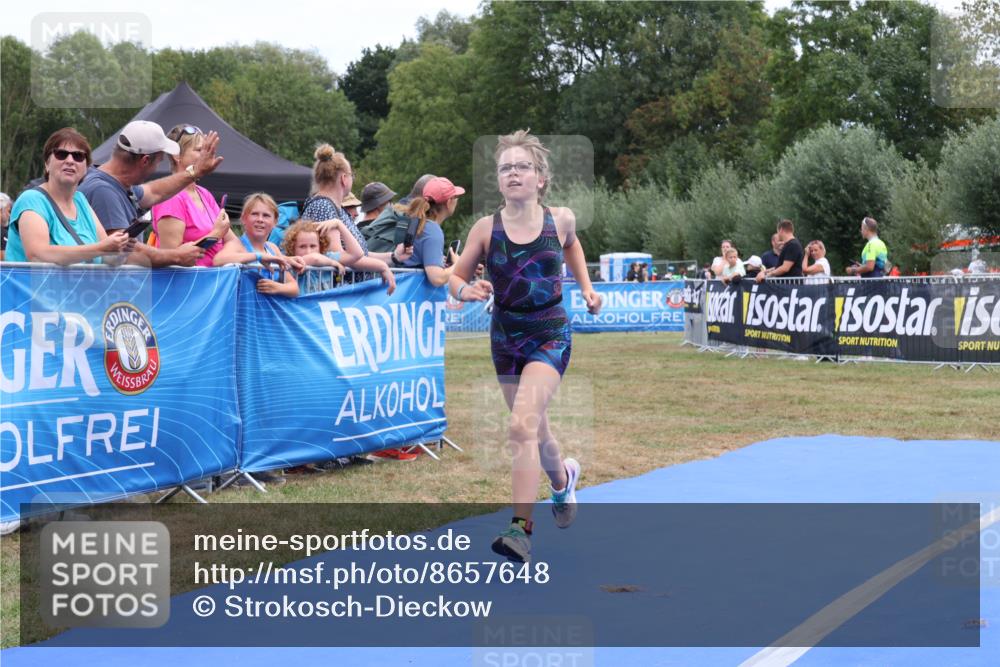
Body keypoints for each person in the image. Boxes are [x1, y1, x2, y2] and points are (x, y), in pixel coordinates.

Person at [448, 130, 602, 563]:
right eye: (505, 168)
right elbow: (454, 278)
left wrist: (587, 289)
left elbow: (572, 247)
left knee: (520, 426)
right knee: (536, 428)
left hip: (550, 333)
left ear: (540, 177)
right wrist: (466, 292)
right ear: (498, 181)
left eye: (522, 166)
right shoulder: (485, 229)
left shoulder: (561, 219)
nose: (513, 173)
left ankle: (520, 528)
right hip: (505, 339)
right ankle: (563, 480)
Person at [78, 120, 222, 267]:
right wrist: (176, 256)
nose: (156, 168)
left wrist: (195, 172)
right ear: (145, 160)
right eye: (158, 162)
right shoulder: (103, 191)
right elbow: (125, 251)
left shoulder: (118, 184)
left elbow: (155, 192)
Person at [4, 128, 135, 265]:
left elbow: (106, 257)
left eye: (78, 156)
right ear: (47, 164)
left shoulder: (81, 201)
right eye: (61, 154)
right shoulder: (31, 200)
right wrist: (101, 248)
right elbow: (38, 255)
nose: (70, 160)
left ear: (86, 168)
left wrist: (120, 251)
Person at [300, 144, 406, 285]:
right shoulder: (324, 207)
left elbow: (362, 254)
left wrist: (394, 256)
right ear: (344, 178)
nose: (352, 179)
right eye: (351, 175)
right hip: (339, 294)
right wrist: (381, 266)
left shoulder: (333, 208)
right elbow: (342, 257)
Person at [151, 125, 234, 266]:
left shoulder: (204, 194)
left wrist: (221, 259)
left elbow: (233, 241)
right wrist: (216, 235)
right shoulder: (171, 197)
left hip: (212, 284)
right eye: (199, 150)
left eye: (207, 149)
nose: (206, 154)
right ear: (177, 156)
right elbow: (171, 258)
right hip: (185, 285)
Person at [214, 193, 301, 298]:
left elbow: (294, 288)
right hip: (243, 311)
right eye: (254, 214)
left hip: (268, 312)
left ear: (275, 222)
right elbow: (218, 260)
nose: (260, 219)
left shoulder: (272, 248)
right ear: (243, 219)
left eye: (266, 215)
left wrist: (278, 288)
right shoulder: (237, 245)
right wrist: (258, 256)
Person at [395, 176, 462, 286]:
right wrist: (459, 265)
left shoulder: (419, 223)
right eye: (456, 197)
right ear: (449, 202)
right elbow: (437, 279)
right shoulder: (432, 230)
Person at [362, 174, 436, 253]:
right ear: (379, 204)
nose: (392, 205)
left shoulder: (361, 229)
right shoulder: (397, 220)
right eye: (389, 201)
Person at [0, 192, 12, 260]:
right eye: (8, 211)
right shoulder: (3, 233)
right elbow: (4, 261)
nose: (9, 215)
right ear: (1, 210)